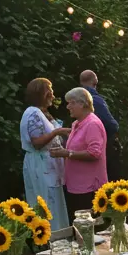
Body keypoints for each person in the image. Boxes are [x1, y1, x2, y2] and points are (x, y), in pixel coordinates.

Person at [19, 77, 69, 230]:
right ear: (42, 93)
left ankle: (59, 236)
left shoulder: (42, 113)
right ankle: (51, 239)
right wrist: (57, 132)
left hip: (48, 166)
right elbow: (37, 142)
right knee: (47, 204)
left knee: (54, 203)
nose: (53, 96)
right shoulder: (33, 113)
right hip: (41, 167)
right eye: (50, 92)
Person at [51, 87, 108, 221]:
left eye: (71, 103)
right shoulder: (77, 123)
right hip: (76, 185)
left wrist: (67, 153)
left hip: (89, 188)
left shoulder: (92, 124)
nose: (68, 106)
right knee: (79, 227)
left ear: (82, 104)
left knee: (90, 228)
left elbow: (95, 153)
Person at [79, 69, 121, 181]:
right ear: (95, 83)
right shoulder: (95, 100)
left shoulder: (74, 100)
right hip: (99, 146)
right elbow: (111, 125)